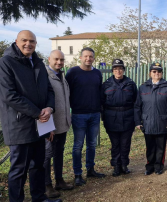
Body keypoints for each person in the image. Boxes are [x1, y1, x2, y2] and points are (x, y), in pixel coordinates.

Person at [0, 30, 60, 202]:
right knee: (19, 170)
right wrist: (37, 113)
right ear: (16, 41)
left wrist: (49, 108)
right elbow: (9, 95)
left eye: (32, 41)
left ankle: (39, 198)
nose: (29, 44)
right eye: (24, 40)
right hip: (19, 125)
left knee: (38, 166)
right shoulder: (6, 63)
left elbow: (49, 89)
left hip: (40, 125)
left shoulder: (38, 63)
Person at [65, 47, 105, 186]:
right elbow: (66, 92)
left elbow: (99, 92)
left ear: (94, 58)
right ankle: (77, 174)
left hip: (94, 114)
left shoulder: (97, 73)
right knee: (78, 146)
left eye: (91, 56)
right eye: (86, 56)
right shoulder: (72, 72)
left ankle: (91, 169)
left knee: (92, 144)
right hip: (78, 114)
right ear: (81, 57)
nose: (88, 59)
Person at [134, 63, 167, 175]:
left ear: (162, 73)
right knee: (150, 146)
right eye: (154, 71)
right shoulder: (143, 87)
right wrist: (138, 121)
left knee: (160, 146)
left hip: (163, 122)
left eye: (159, 71)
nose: (156, 73)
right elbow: (137, 106)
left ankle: (159, 166)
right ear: (150, 73)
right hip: (147, 122)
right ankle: (149, 166)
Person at [44, 50, 74, 198]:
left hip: (62, 125)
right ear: (49, 59)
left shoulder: (62, 76)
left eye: (61, 60)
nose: (59, 62)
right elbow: (42, 103)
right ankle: (47, 185)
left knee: (59, 154)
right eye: (56, 59)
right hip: (49, 127)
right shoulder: (44, 77)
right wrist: (47, 127)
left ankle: (59, 180)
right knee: (46, 156)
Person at [101, 59, 137, 177]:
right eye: (116, 69)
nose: (118, 71)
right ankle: (116, 166)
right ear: (112, 71)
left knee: (125, 143)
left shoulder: (130, 84)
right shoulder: (106, 84)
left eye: (120, 68)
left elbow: (136, 102)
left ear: (123, 70)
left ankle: (124, 165)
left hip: (127, 117)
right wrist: (104, 118)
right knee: (115, 144)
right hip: (112, 118)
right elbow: (101, 102)